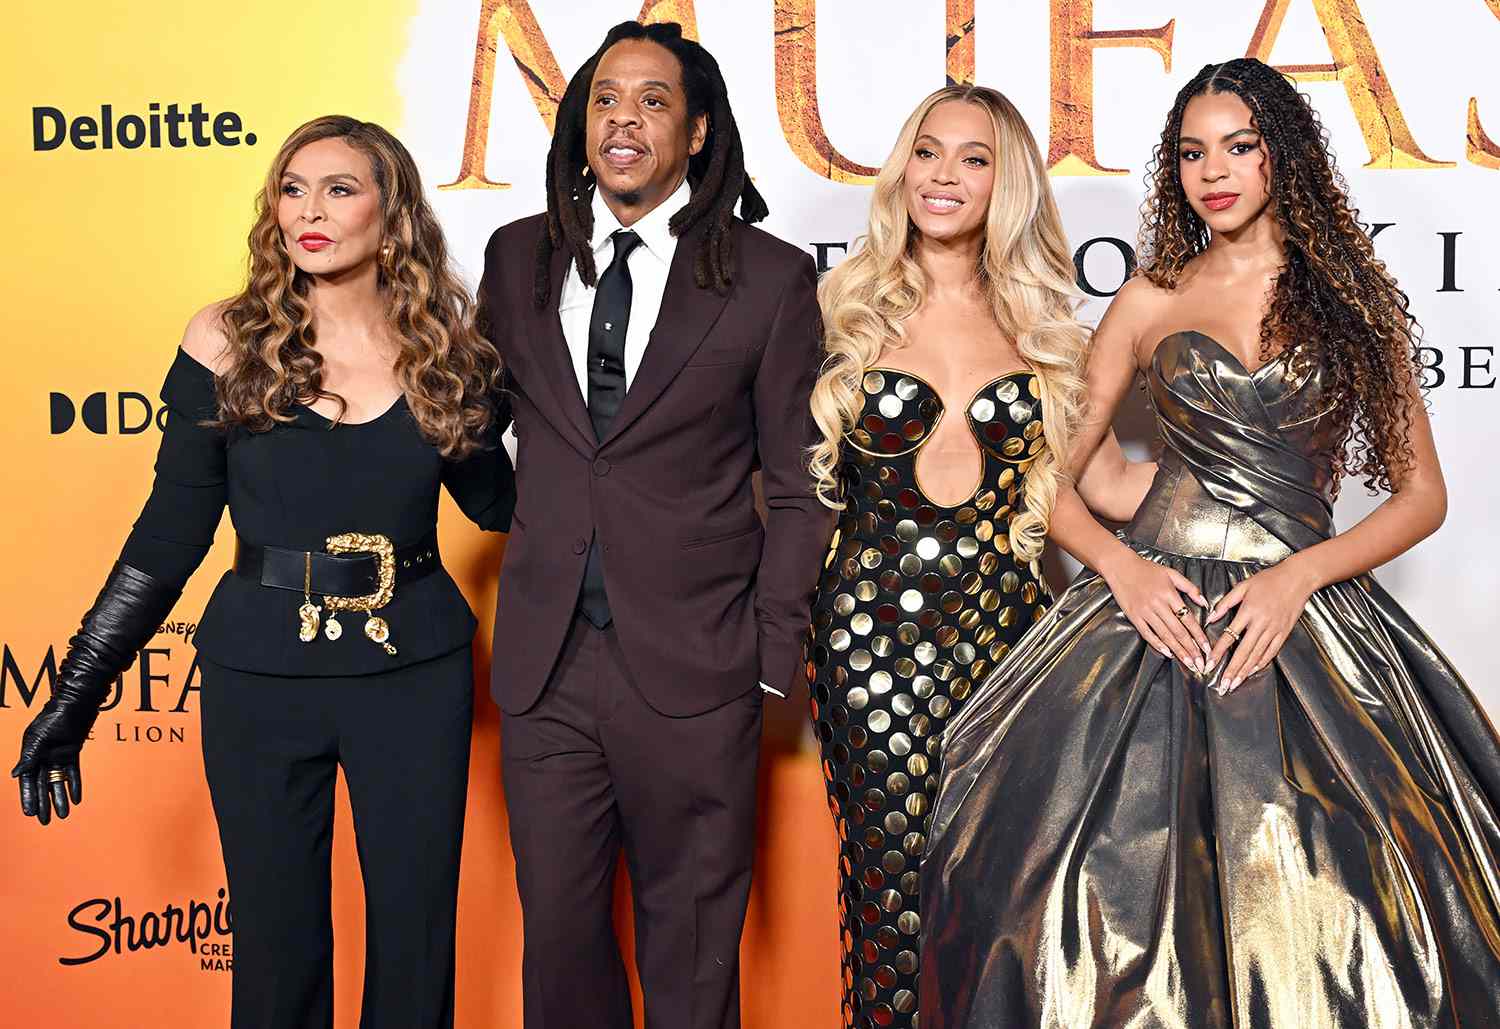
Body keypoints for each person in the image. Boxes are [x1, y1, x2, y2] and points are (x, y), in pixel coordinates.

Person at [923, 58, 1500, 1028]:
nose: (1213, 171)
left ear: (1286, 154)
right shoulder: (1150, 300)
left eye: (1239, 146)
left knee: (1346, 900)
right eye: (1192, 152)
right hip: (1153, 615)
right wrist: (1124, 570)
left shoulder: (1350, 299)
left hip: (1301, 615)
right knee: (1071, 888)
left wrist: (1296, 580)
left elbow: (1421, 496)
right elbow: (1053, 482)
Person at [12, 116, 514, 1029]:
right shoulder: (227, 339)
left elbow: (500, 507)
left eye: (338, 189)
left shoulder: (447, 349)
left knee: (414, 947)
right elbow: (169, 536)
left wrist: (522, 391)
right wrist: (74, 693)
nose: (307, 211)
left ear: (391, 213)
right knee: (278, 952)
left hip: (415, 674)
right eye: (292, 188)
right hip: (260, 679)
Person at [475, 21, 829, 1029]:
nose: (623, 119)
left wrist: (769, 654)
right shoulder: (515, 259)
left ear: (700, 130)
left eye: (653, 100)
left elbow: (798, 483)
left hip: (697, 665)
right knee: (561, 945)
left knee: (691, 953)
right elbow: (469, 430)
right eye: (604, 99)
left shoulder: (768, 279)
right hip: (546, 670)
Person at [805, 85, 1155, 1029]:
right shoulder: (843, 309)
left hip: (1011, 640)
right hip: (869, 642)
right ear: (902, 170)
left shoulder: (1048, 330)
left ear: (1008, 184)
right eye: (927, 152)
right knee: (888, 896)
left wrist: (1253, 491)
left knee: (998, 905)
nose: (943, 176)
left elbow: (1113, 489)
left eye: (973, 157)